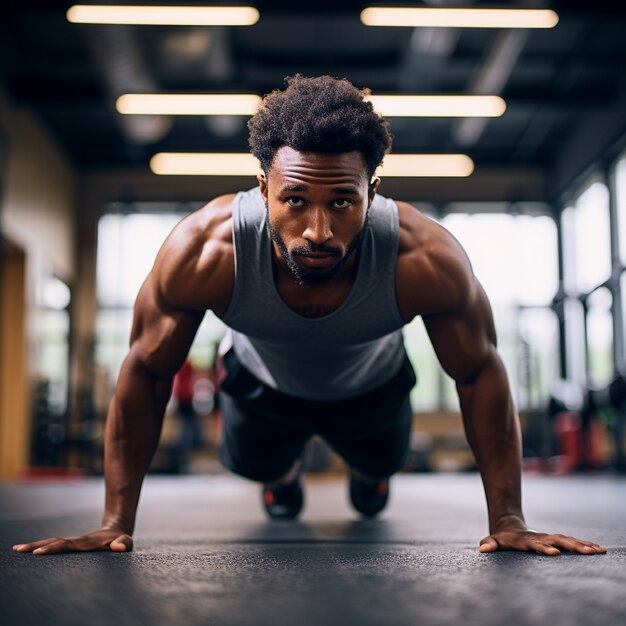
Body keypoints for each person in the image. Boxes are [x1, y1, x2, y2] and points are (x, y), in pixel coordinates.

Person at [13, 75, 605, 557]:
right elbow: (144, 370)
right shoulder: (205, 250)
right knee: (257, 465)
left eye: (342, 202)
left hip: (372, 388)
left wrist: (508, 518)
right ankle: (281, 477)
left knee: (377, 478)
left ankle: (367, 476)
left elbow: (478, 373)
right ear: (262, 184)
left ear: (372, 191)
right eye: (294, 200)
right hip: (261, 389)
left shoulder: (426, 257)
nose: (317, 231)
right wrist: (117, 519)